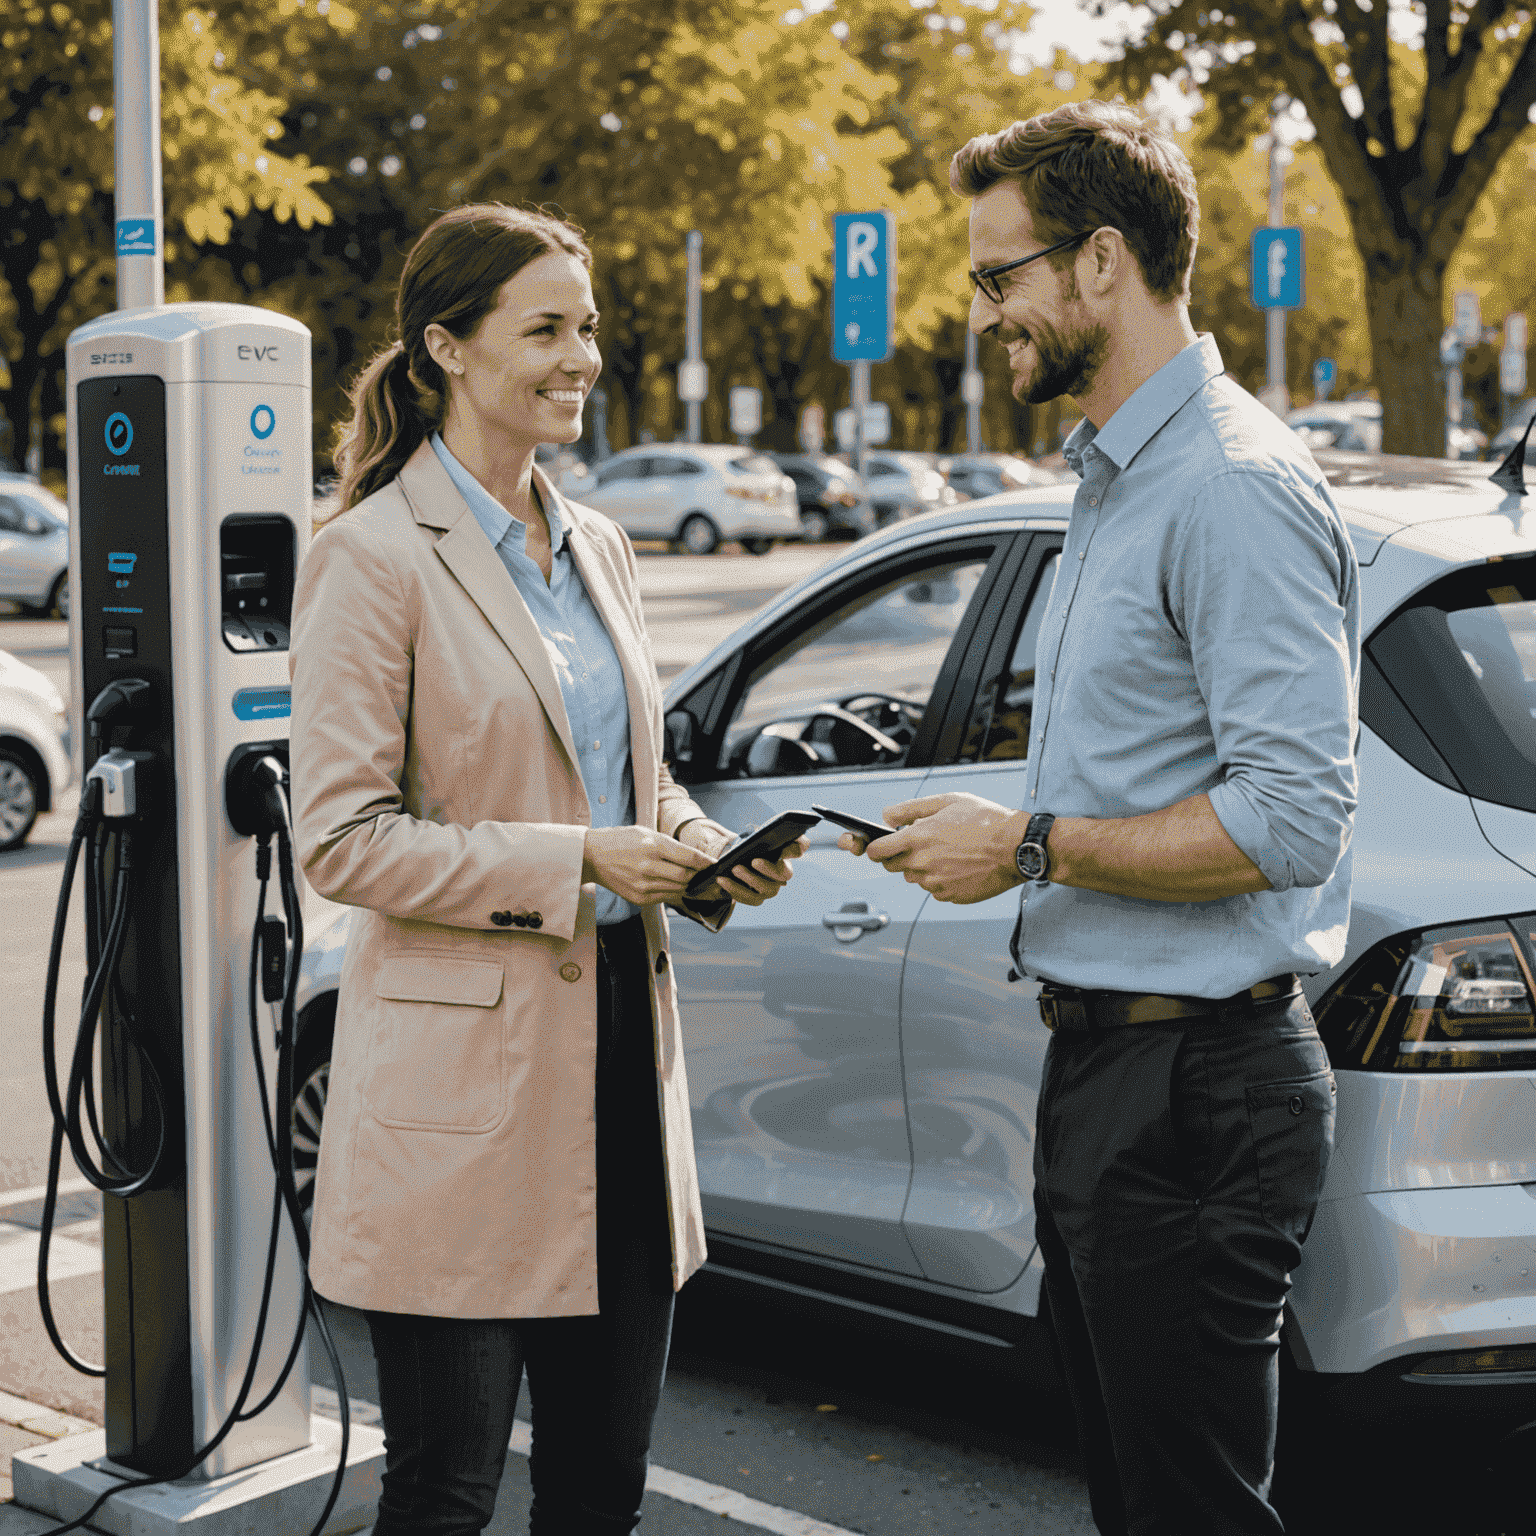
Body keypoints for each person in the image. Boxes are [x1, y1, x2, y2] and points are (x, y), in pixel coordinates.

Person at [840, 102, 1358, 1535]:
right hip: (1114, 1077)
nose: (984, 313)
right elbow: (1143, 775)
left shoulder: (1232, 489)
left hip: (1200, 1087)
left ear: (1103, 261)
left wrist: (1026, 846)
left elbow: (1291, 820)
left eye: (1001, 276)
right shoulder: (1113, 481)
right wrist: (1004, 822)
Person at [288, 202, 805, 1536]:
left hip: (625, 1079)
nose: (582, 354)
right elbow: (340, 839)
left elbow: (634, 779)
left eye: (589, 326)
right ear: (449, 348)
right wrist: (581, 863)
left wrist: (693, 849)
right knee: (447, 1495)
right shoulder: (370, 556)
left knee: (599, 1490)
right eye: (547, 328)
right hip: (460, 1110)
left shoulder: (602, 547)